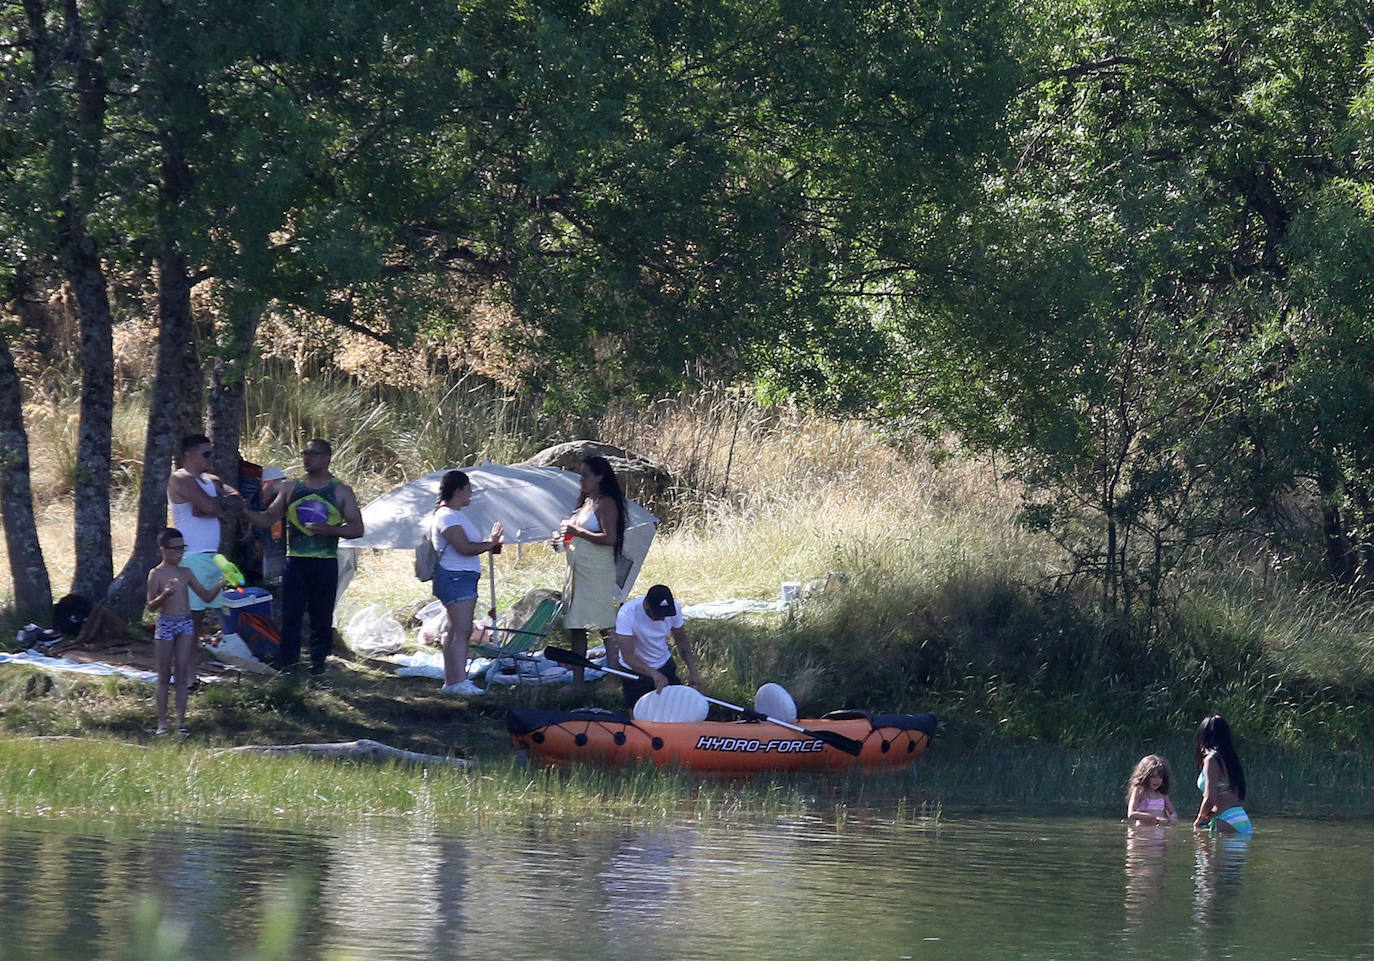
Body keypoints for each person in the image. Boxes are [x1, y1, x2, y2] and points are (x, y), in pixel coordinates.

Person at [244, 439, 363, 674]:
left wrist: (330, 530)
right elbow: (268, 518)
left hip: (325, 560)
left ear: (327, 457)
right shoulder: (291, 487)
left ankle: (318, 664)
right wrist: (243, 512)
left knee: (321, 615)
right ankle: (288, 664)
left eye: (313, 453)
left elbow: (357, 529)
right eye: (304, 453)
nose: (307, 458)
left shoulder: (340, 490)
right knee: (291, 614)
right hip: (296, 560)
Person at [430, 470, 503, 696]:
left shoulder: (455, 514)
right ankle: (459, 681)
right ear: (458, 490)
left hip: (461, 577)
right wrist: (489, 544)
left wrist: (489, 545)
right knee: (461, 631)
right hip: (455, 576)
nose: (471, 495)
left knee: (454, 631)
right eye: (468, 490)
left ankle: (451, 681)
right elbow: (464, 547)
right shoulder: (447, 516)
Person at [555, 455, 627, 686]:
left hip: (596, 571)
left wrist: (577, 531)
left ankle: (615, 678)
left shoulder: (605, 502)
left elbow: (609, 538)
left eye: (586, 475)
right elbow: (576, 534)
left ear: (599, 477)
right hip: (577, 570)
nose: (581, 479)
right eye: (580, 475)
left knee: (604, 623)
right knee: (577, 625)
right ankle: (578, 681)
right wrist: (563, 542)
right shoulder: (585, 501)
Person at [146, 527, 222, 735]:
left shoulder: (186, 572)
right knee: (163, 673)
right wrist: (165, 595)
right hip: (166, 622)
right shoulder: (157, 574)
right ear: (164, 550)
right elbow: (151, 606)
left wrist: (221, 583)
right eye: (176, 549)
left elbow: (205, 596)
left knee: (181, 673)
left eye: (183, 548)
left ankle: (181, 722)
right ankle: (162, 723)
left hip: (186, 623)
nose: (180, 553)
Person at [167, 433, 243, 636]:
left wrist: (215, 505)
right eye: (206, 454)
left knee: (198, 621)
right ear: (189, 454)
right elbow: (208, 507)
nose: (211, 458)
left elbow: (237, 500)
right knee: (186, 618)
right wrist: (215, 505)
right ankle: (177, 661)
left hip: (211, 557)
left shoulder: (212, 480)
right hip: (191, 556)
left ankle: (189, 663)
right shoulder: (180, 478)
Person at [613, 584, 702, 711]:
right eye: (658, 614)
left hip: (664, 664)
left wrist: (693, 672)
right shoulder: (627, 613)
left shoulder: (675, 608)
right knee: (639, 715)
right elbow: (628, 656)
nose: (662, 618)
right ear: (647, 604)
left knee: (678, 709)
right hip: (634, 671)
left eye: (665, 614)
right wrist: (653, 673)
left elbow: (682, 642)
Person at [1193, 714, 1253, 836]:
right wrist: (1209, 817)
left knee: (1206, 854)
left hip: (1226, 820)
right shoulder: (1230, 760)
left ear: (1204, 736)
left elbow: (1210, 798)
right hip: (1241, 818)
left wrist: (1199, 820)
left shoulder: (1212, 760)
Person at [1126, 754, 1179, 825]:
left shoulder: (1162, 794)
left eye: (1160, 777)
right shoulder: (1139, 791)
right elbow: (1131, 814)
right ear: (1145, 776)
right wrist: (1154, 818)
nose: (1157, 780)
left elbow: (1172, 813)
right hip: (1141, 833)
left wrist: (1173, 819)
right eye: (1153, 777)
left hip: (1158, 833)